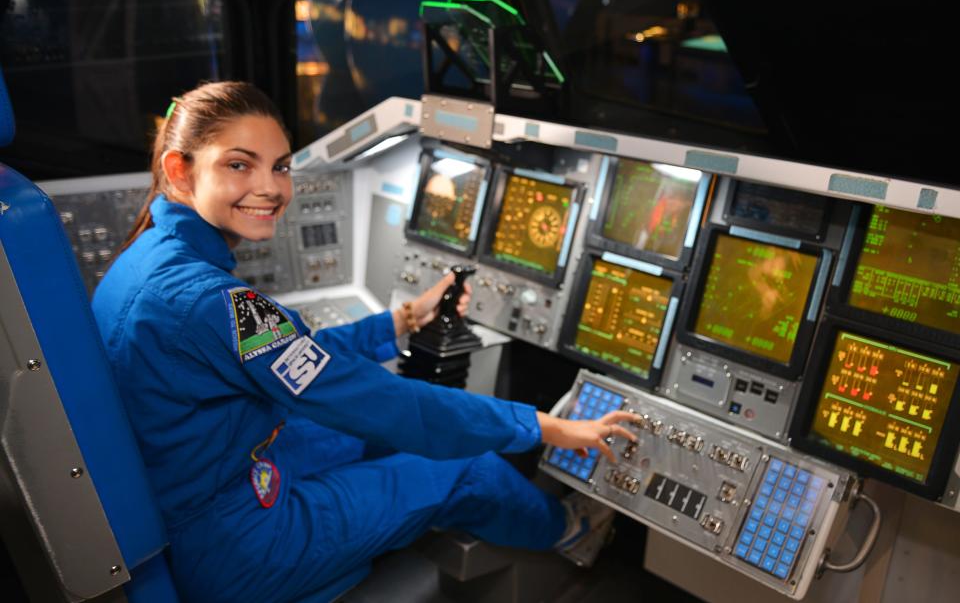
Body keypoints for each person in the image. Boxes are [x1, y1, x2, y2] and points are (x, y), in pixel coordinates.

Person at [92, 81, 638, 603]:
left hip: (197, 495)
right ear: (179, 172)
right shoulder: (210, 300)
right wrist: (542, 426)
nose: (270, 188)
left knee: (371, 429)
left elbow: (300, 360)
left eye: (280, 166)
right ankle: (572, 530)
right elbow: (380, 402)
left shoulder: (144, 259)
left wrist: (399, 321)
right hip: (237, 547)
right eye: (239, 165)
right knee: (463, 467)